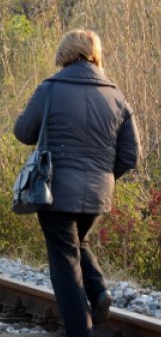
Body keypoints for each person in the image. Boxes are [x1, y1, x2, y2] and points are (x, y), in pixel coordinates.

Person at [14, 29, 140, 336]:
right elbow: (130, 155)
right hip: (98, 194)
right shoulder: (116, 95)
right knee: (74, 242)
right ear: (95, 52)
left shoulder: (50, 88)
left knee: (64, 265)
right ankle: (98, 291)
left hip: (54, 190)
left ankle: (80, 330)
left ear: (64, 53)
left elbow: (23, 132)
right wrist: (103, 177)